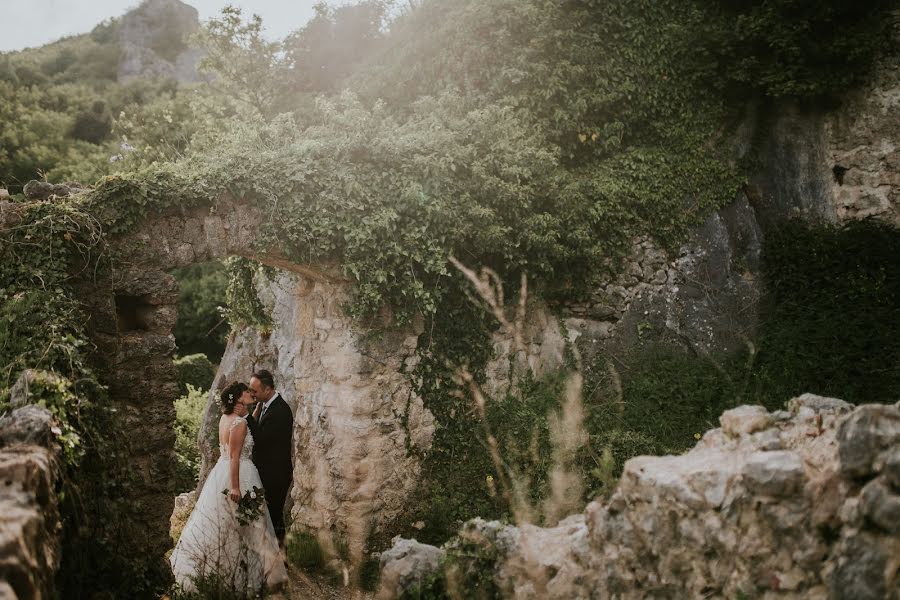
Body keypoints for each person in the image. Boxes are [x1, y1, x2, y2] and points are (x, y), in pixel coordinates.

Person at [170, 382, 287, 594]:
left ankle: (225, 572)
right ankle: (247, 577)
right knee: (246, 524)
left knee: (226, 522)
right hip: (239, 474)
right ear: (237, 398)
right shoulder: (239, 424)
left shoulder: (226, 419)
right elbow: (234, 457)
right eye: (246, 392)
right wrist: (235, 487)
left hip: (221, 472)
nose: (250, 394)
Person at [246, 369, 294, 545]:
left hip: (276, 475)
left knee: (275, 517)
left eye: (255, 391)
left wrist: (246, 416)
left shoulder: (280, 411)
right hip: (267, 471)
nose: (252, 394)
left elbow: (261, 440)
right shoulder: (265, 407)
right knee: (268, 517)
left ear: (267, 390)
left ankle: (281, 560)